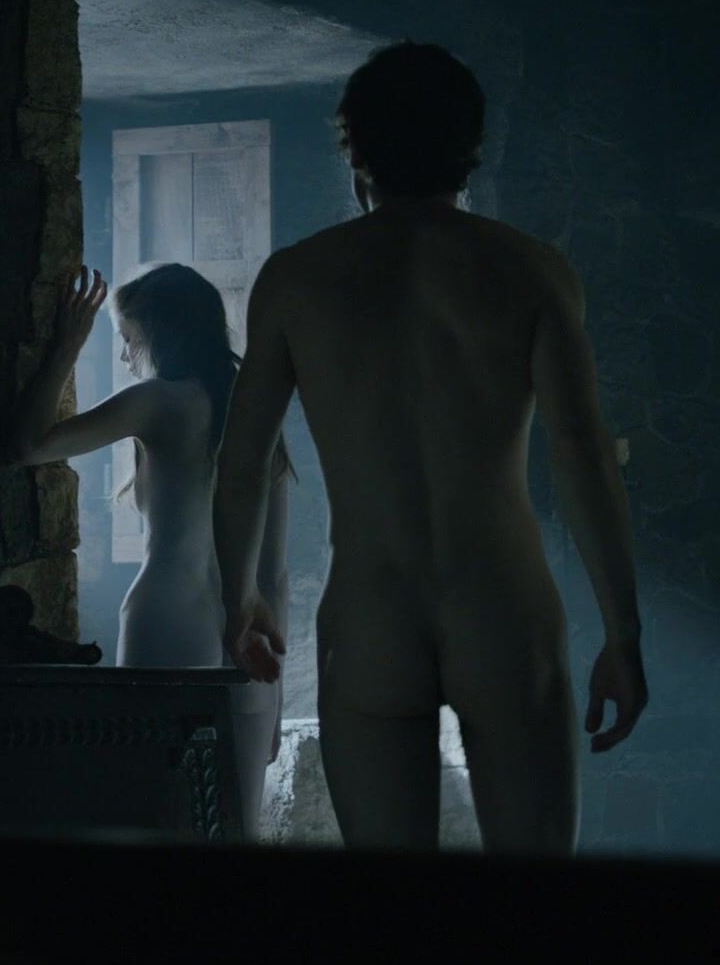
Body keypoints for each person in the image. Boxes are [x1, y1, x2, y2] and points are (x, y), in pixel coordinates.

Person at [212, 42, 647, 855]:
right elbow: (582, 456)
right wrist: (624, 634)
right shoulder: (532, 271)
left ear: (355, 151)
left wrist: (240, 599)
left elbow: (243, 461)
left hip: (372, 611)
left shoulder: (297, 279)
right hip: (502, 606)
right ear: (470, 147)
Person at [12, 263, 284, 824]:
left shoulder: (158, 402)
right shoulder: (257, 411)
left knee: (148, 809)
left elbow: (30, 446)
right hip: (254, 640)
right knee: (236, 828)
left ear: (161, 334)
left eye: (130, 340)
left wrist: (66, 346)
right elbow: (273, 571)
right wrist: (275, 700)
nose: (125, 356)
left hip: (165, 616)